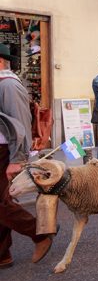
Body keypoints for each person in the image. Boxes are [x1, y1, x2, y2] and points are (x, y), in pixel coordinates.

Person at [0, 43, 54, 268]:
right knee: (3, 202)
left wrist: (17, 159)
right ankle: (3, 255)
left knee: (1, 203)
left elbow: (20, 124)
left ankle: (41, 232)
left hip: (4, 151)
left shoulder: (9, 85)